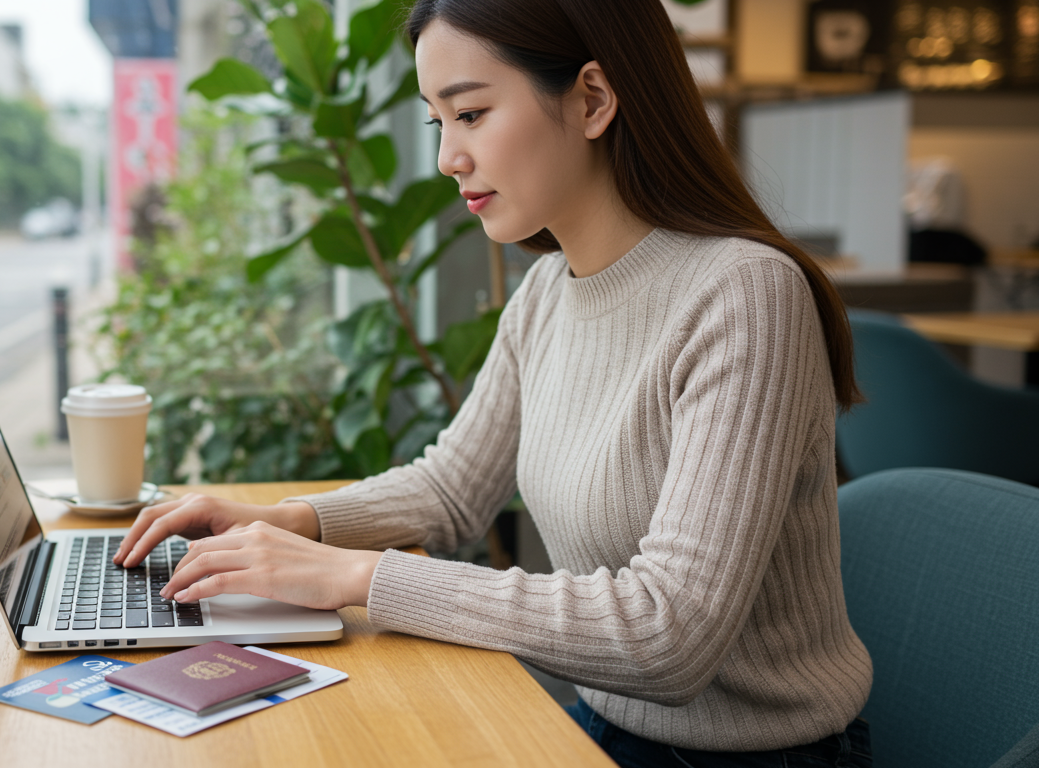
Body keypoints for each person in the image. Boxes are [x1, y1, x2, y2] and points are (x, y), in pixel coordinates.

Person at [116, 1, 874, 764]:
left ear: (593, 100)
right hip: (608, 726)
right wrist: (283, 520)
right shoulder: (548, 293)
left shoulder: (745, 296)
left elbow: (667, 633)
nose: (449, 157)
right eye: (437, 123)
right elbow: (452, 490)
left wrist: (353, 576)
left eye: (471, 113)